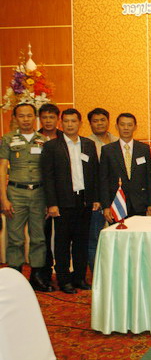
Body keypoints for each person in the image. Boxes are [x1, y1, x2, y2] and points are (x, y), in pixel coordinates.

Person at [41, 108, 100, 294]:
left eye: (73, 121)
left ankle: (79, 278)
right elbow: (48, 177)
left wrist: (95, 198)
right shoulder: (52, 146)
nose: (70, 124)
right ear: (61, 123)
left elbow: (94, 173)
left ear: (80, 123)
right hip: (62, 202)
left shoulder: (88, 144)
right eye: (66, 121)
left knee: (81, 242)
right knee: (62, 243)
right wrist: (52, 203)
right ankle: (64, 280)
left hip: (84, 200)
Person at [0, 103, 51, 291]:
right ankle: (15, 276)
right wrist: (3, 199)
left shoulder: (43, 140)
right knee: (15, 238)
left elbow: (48, 171)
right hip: (16, 193)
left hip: (39, 193)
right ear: (15, 118)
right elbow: (2, 169)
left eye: (29, 115)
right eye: (21, 116)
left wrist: (49, 201)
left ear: (34, 117)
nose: (26, 119)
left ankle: (36, 277)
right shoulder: (7, 139)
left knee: (38, 237)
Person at [100, 113, 151, 222]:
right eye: (122, 124)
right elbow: (103, 180)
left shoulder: (144, 149)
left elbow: (149, 178)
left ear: (135, 127)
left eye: (129, 125)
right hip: (116, 204)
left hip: (140, 204)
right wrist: (106, 206)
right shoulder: (107, 150)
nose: (126, 128)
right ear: (116, 127)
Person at [87, 107, 118, 272]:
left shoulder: (118, 141)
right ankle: (96, 274)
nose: (99, 123)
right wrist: (95, 198)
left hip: (118, 199)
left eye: (102, 120)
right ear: (90, 124)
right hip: (97, 200)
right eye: (95, 121)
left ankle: (115, 272)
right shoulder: (86, 144)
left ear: (108, 121)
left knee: (117, 237)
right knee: (95, 238)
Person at [37, 103, 63, 287]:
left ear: (57, 119)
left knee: (62, 237)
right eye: (44, 117)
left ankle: (63, 273)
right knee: (43, 236)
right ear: (40, 119)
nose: (48, 121)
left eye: (51, 117)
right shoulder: (34, 138)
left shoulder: (65, 138)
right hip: (40, 195)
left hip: (63, 195)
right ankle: (44, 273)